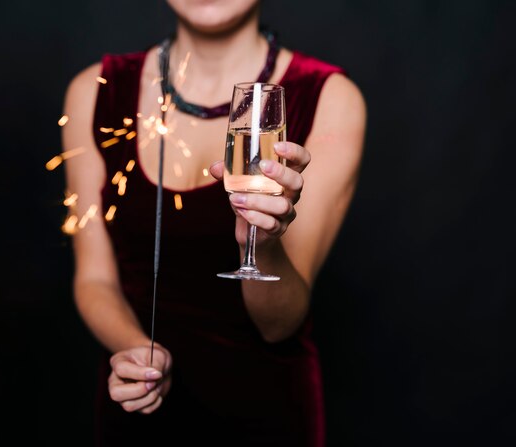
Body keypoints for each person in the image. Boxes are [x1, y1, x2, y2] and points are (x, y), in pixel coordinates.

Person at [61, 0, 366, 445]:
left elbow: (277, 325)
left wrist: (260, 241)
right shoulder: (96, 90)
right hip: (139, 411)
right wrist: (136, 353)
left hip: (268, 417)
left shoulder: (329, 97)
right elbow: (93, 278)